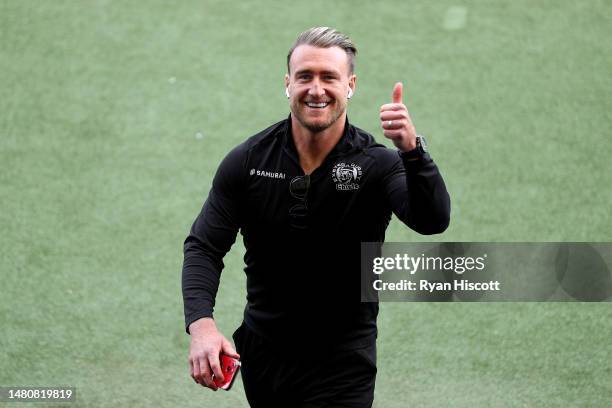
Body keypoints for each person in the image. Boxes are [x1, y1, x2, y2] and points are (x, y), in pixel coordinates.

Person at [182, 26, 450, 407]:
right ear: (287, 84)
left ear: (351, 85)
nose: (316, 88)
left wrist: (412, 151)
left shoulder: (377, 164)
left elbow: (432, 219)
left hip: (343, 361)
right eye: (305, 76)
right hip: (265, 356)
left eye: (329, 77)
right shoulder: (248, 161)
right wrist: (202, 325)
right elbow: (204, 246)